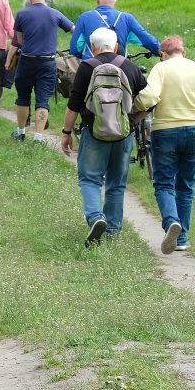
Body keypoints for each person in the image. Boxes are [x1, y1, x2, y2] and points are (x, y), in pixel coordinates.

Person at [62, 27, 149, 246]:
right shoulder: (130, 67)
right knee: (117, 183)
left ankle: (95, 217)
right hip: (123, 135)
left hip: (94, 132)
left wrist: (66, 133)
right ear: (117, 45)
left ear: (92, 47)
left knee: (90, 178)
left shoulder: (86, 67)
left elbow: (74, 104)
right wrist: (131, 122)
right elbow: (149, 101)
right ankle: (112, 230)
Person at [136, 35, 195, 254]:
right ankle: (181, 238)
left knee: (163, 183)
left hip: (166, 130)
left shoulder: (161, 69)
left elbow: (150, 97)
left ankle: (171, 221)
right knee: (186, 185)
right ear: (184, 51)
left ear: (162, 54)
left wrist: (135, 105)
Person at [10, 0, 73, 143]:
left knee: (23, 97)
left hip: (27, 61)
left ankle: (21, 131)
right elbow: (74, 29)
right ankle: (39, 137)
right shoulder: (55, 13)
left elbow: (20, 40)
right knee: (42, 100)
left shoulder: (22, 14)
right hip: (47, 62)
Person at [68, 0, 161, 59]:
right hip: (118, 67)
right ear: (115, 2)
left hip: (91, 67)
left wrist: (85, 58)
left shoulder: (84, 17)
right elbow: (148, 40)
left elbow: (75, 48)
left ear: (97, 0)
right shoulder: (126, 18)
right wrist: (163, 52)